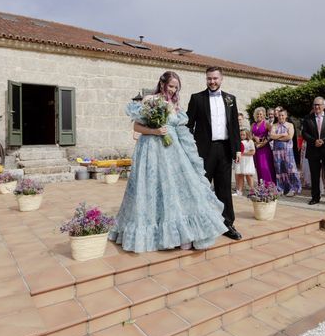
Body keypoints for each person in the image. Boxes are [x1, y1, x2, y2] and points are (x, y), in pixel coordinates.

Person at [110, 71, 228, 252]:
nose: (173, 90)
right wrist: (155, 132)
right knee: (152, 189)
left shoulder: (175, 104)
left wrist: (190, 154)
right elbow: (136, 126)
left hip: (173, 151)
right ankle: (157, 235)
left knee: (178, 189)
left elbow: (180, 131)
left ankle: (183, 234)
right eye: (171, 86)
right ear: (162, 83)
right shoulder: (150, 99)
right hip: (151, 150)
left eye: (176, 88)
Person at [187, 67, 242, 241]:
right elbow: (188, 125)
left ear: (221, 79)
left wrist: (237, 149)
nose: (212, 81)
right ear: (206, 79)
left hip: (225, 149)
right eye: (209, 78)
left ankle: (227, 224)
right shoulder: (197, 99)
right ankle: (198, 224)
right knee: (201, 187)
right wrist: (189, 148)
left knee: (224, 188)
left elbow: (234, 127)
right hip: (203, 150)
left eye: (215, 78)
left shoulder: (230, 99)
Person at [302, 97, 325, 206]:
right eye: (315, 105)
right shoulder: (307, 118)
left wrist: (324, 141)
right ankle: (315, 197)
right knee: (314, 175)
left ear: (324, 106)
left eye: (318, 105)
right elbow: (304, 133)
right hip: (313, 150)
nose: (316, 107)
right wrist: (314, 141)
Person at [270, 109, 302, 196]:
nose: (281, 117)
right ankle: (281, 188)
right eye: (279, 115)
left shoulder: (290, 125)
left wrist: (277, 138)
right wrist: (282, 135)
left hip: (287, 151)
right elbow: (271, 135)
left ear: (286, 116)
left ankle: (293, 188)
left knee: (290, 169)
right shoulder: (274, 125)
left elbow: (289, 137)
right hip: (277, 152)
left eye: (283, 115)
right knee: (279, 170)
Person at [251, 106, 276, 186]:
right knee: (259, 167)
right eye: (257, 114)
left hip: (265, 148)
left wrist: (264, 142)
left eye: (261, 114)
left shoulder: (266, 123)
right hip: (257, 148)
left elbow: (271, 135)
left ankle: (269, 186)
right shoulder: (253, 124)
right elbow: (250, 136)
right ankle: (261, 186)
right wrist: (254, 138)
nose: (259, 116)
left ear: (264, 115)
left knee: (265, 167)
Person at [233, 128, 256, 196]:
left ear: (247, 135)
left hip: (247, 160)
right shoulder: (238, 141)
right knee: (240, 175)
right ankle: (239, 191)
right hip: (240, 160)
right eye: (240, 135)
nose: (242, 136)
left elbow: (253, 152)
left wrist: (243, 153)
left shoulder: (250, 141)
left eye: (243, 135)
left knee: (248, 175)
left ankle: (252, 191)